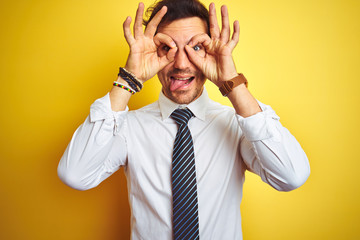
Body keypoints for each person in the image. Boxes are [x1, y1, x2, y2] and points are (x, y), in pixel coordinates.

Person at [57, 0, 310, 239]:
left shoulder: (237, 125)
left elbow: (291, 176)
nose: (180, 63)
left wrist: (231, 82)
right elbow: (75, 175)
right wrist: (129, 79)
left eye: (195, 47)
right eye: (166, 48)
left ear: (211, 51)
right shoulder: (127, 128)